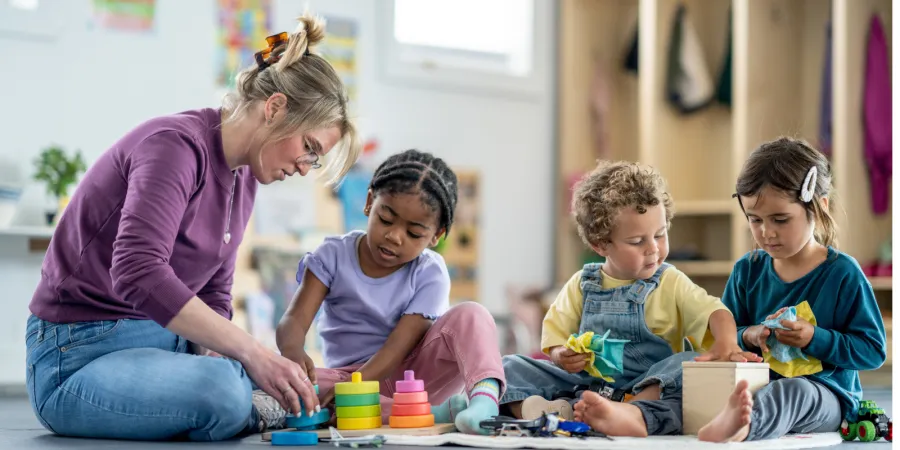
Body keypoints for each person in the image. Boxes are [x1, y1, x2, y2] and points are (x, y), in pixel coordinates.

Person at [25, 13, 361, 441]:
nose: (304, 167)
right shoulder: (174, 146)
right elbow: (136, 271)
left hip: (163, 345)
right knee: (223, 391)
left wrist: (249, 362)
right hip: (78, 356)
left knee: (306, 380)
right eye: (309, 149)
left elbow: (214, 294)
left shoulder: (244, 178)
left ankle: (261, 399)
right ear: (275, 109)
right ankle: (253, 407)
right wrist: (249, 357)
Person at [500, 161, 760, 437]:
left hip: (647, 388)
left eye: (660, 235)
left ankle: (627, 412)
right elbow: (554, 337)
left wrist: (726, 343)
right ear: (600, 244)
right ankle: (547, 410)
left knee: (687, 362)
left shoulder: (670, 281)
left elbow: (716, 313)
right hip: (588, 386)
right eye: (637, 241)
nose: (653, 249)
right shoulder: (582, 284)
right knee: (509, 366)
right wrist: (562, 355)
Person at [275, 149, 506, 435]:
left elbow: (398, 347)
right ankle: (436, 414)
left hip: (416, 377)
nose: (394, 236)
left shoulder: (429, 271)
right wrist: (292, 351)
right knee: (284, 383)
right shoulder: (331, 255)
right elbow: (294, 321)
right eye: (386, 219)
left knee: (472, 314)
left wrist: (355, 387)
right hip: (347, 378)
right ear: (370, 202)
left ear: (437, 236)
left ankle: (484, 404)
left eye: (414, 233)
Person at [697, 137, 887, 442]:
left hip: (824, 396)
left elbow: (873, 351)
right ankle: (648, 412)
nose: (766, 233)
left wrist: (815, 338)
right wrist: (749, 335)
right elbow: (724, 336)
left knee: (792, 390)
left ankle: (742, 426)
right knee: (683, 362)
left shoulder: (842, 273)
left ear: (819, 207)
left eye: (780, 220)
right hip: (754, 386)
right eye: (754, 220)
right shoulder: (747, 270)